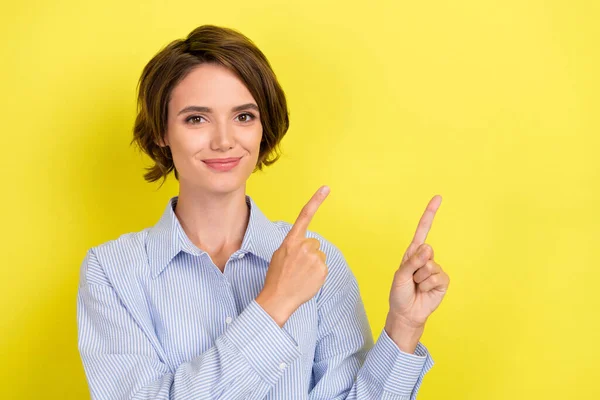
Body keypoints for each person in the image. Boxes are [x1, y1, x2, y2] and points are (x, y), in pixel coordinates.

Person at [76, 24, 450, 400]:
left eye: (243, 117)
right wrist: (274, 304)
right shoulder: (111, 272)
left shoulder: (319, 261)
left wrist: (404, 325)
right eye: (196, 118)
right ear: (161, 131)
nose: (224, 141)